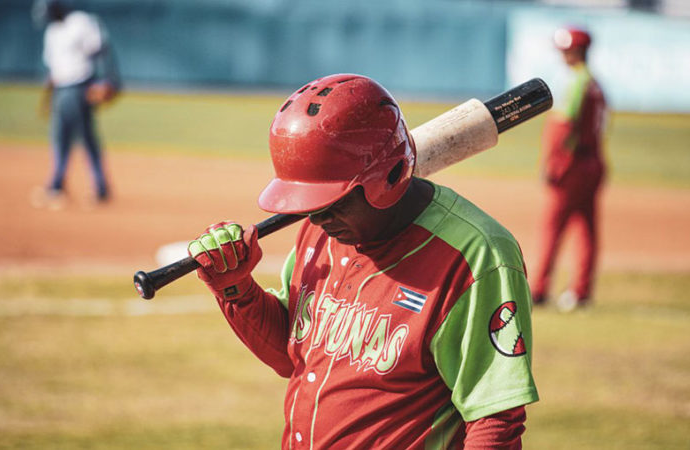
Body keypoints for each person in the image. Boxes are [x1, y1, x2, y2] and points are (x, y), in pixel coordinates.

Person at [186, 74, 538, 448]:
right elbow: (291, 356)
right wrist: (235, 288)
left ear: (387, 177)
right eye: (309, 205)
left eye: (331, 203)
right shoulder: (325, 229)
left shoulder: (475, 254)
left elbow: (495, 419)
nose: (316, 219)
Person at [529, 27, 608, 312]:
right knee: (587, 229)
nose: (562, 55)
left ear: (575, 51)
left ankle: (538, 289)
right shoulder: (595, 84)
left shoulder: (576, 82)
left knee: (552, 226)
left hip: (573, 165)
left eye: (565, 50)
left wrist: (553, 163)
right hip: (594, 162)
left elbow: (563, 127)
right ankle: (581, 291)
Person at [31, 0, 120, 209]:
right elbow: (55, 71)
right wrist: (48, 97)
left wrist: (107, 80)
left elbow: (100, 49)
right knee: (69, 137)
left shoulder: (79, 22)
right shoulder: (52, 32)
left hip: (80, 87)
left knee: (75, 137)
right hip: (62, 90)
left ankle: (63, 187)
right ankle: (92, 188)